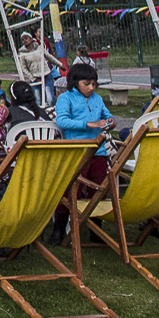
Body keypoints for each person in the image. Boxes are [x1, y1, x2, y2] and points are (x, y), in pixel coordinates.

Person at [48, 63, 116, 245]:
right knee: (71, 190)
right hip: (76, 150)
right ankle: (59, 229)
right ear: (75, 82)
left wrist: (111, 122)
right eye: (87, 84)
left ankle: (95, 229)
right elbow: (62, 121)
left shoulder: (97, 99)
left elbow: (109, 116)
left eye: (93, 84)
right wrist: (88, 124)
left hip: (98, 151)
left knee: (97, 189)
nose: (91, 88)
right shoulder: (66, 98)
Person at [18, 32, 60, 105]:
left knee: (50, 99)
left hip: (46, 74)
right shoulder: (22, 53)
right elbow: (23, 67)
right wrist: (33, 78)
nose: (24, 40)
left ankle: (52, 113)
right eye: (23, 39)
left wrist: (59, 64)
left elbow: (48, 56)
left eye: (26, 38)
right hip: (35, 78)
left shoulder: (40, 48)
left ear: (31, 39)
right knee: (38, 100)